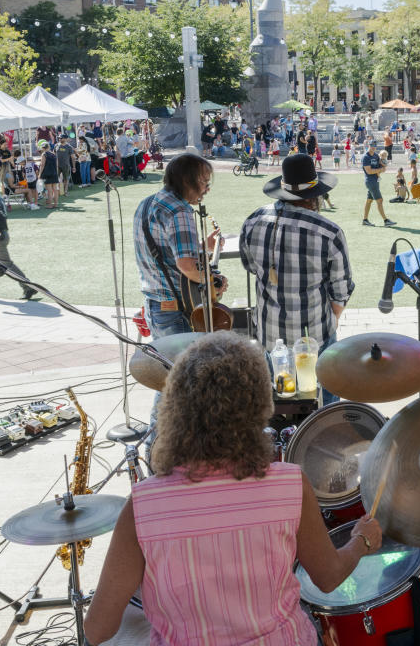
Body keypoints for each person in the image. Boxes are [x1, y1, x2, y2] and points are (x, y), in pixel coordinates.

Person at [84, 333, 383, 646]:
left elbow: (98, 629)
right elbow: (328, 577)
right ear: (257, 408)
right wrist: (361, 540)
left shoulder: (143, 506)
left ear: (176, 410)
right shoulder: (290, 485)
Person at [239, 154, 354, 405]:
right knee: (324, 407)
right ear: (314, 196)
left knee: (279, 401)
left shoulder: (253, 221)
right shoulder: (328, 232)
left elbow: (250, 266)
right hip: (315, 335)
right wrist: (329, 323)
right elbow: (341, 292)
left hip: (270, 334)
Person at [132, 154, 224, 340]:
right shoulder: (179, 210)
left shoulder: (148, 203)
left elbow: (164, 251)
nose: (207, 189)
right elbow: (187, 266)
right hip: (176, 312)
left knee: (170, 367)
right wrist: (215, 282)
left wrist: (203, 246)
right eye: (204, 182)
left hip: (156, 307)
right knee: (188, 368)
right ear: (186, 180)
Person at [361, 143, 395, 227]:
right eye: (371, 146)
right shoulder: (365, 157)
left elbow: (382, 164)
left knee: (369, 200)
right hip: (370, 181)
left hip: (375, 181)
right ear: (368, 146)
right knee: (380, 200)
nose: (373, 148)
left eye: (374, 146)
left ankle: (365, 220)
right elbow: (369, 171)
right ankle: (386, 221)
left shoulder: (376, 156)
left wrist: (384, 166)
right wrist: (380, 169)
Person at [38, 140, 59, 208]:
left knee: (49, 190)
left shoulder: (44, 154)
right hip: (54, 173)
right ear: (48, 147)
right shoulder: (53, 154)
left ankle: (50, 205)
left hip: (47, 174)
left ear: (43, 148)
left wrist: (40, 174)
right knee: (55, 189)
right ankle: (55, 204)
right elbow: (57, 165)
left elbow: (42, 165)